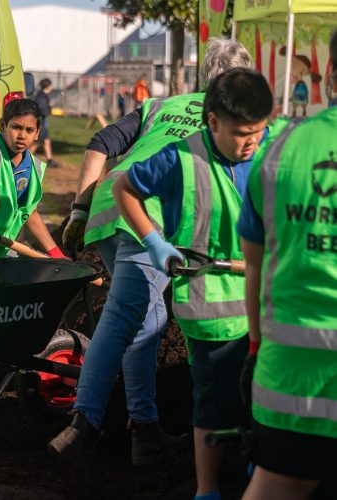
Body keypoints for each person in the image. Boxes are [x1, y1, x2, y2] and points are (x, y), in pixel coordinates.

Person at [50, 39, 252, 480]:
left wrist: (79, 208)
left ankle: (145, 428)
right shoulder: (230, 120)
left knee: (149, 320)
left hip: (109, 205)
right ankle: (82, 425)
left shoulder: (162, 104)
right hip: (151, 214)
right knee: (124, 318)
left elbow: (101, 142)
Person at [112, 68, 273, 500]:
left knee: (266, 401)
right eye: (242, 133)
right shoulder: (178, 158)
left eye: (259, 130)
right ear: (213, 121)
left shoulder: (272, 149)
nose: (251, 142)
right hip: (214, 307)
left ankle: (260, 475)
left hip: (268, 302)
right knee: (213, 400)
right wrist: (154, 241)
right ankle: (207, 490)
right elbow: (123, 188)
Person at [238, 33, 337, 500]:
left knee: (277, 486)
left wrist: (254, 347)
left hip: (290, 383)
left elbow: (253, 267)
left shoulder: (279, 151)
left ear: (330, 75)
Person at [0, 98, 66, 259]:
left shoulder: (34, 167)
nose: (22, 136)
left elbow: (29, 213)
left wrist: (57, 255)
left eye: (29, 130)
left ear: (37, 133)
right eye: (16, 127)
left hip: (0, 252)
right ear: (3, 125)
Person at [30, 78, 59, 168]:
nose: (51, 87)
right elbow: (43, 111)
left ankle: (49, 160)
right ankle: (24, 158)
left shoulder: (43, 95)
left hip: (43, 123)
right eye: (51, 85)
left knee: (46, 141)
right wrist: (50, 106)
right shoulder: (41, 96)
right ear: (48, 86)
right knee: (37, 142)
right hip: (40, 123)